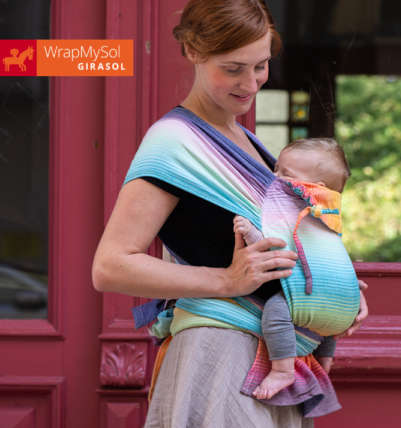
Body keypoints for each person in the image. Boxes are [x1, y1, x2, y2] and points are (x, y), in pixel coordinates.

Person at [92, 1, 368, 426]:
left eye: (261, 66)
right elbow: (110, 266)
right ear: (194, 53)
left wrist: (334, 288)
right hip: (220, 357)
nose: (251, 83)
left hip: (273, 359)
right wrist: (225, 279)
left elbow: (291, 241)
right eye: (234, 68)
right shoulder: (174, 143)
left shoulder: (253, 146)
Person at [233, 138, 355, 400]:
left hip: (317, 300)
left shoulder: (293, 205)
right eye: (275, 169)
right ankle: (324, 357)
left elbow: (274, 246)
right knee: (323, 320)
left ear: (313, 187)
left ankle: (282, 370)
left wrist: (251, 234)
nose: (274, 178)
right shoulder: (329, 214)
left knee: (276, 312)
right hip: (345, 305)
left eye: (284, 174)